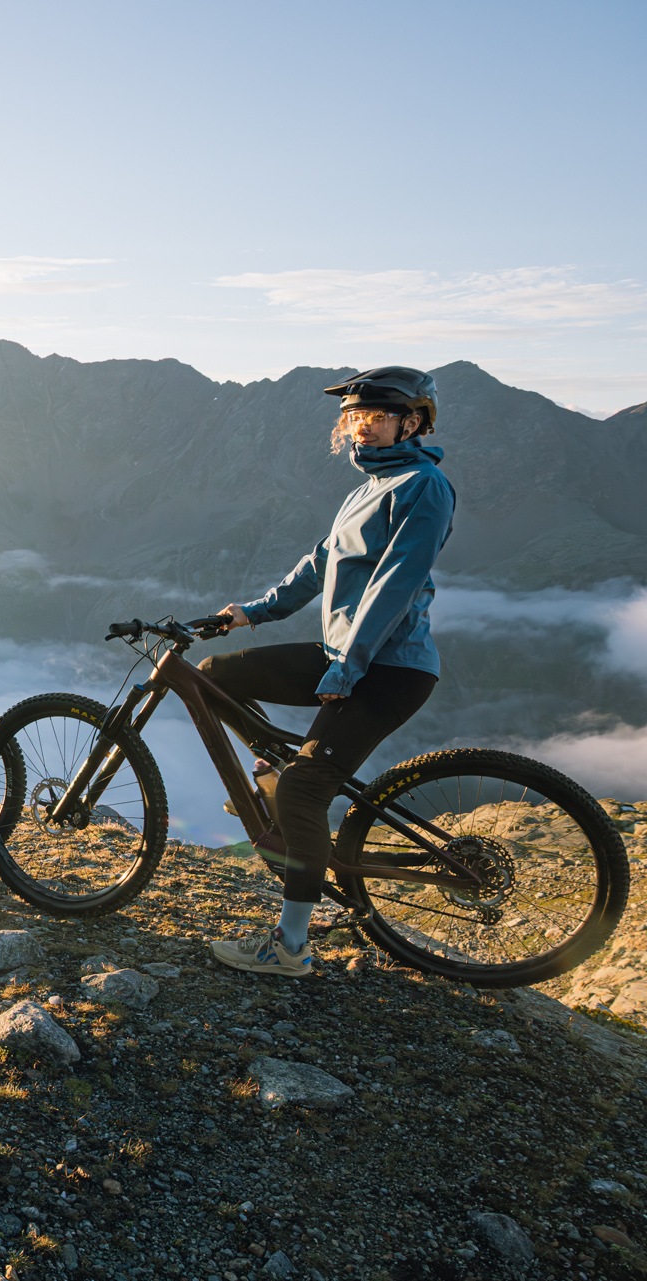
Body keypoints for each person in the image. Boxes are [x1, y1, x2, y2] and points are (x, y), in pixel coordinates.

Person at [202, 366, 455, 977]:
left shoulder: (425, 486)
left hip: (388, 668)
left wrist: (347, 668)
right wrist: (252, 612)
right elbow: (320, 562)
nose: (362, 427)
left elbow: (395, 586)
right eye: (355, 417)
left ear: (413, 422)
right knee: (212, 675)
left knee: (304, 791)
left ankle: (290, 947)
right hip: (344, 654)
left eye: (377, 416)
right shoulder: (367, 488)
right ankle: (274, 766)